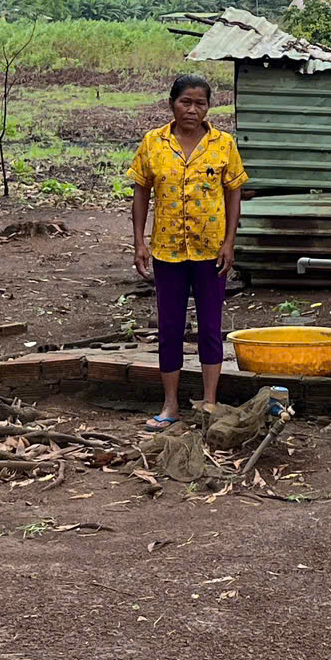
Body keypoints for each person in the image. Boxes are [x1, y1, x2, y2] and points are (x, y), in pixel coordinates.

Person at [128, 73, 246, 427]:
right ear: (172, 104)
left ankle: (210, 402)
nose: (193, 110)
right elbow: (140, 192)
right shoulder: (153, 143)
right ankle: (170, 405)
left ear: (209, 107)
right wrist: (139, 241)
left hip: (211, 250)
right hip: (167, 250)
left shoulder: (223, 144)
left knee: (210, 326)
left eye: (200, 103)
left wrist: (229, 242)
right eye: (186, 102)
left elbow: (234, 192)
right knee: (169, 327)